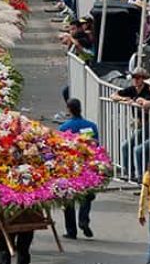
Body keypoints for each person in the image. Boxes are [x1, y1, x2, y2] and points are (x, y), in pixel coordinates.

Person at [59, 98, 98, 239]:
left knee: (68, 197)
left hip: (70, 167)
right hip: (87, 165)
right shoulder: (91, 126)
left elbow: (61, 149)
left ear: (69, 109)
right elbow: (96, 146)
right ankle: (83, 220)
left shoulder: (64, 127)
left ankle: (71, 230)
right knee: (86, 195)